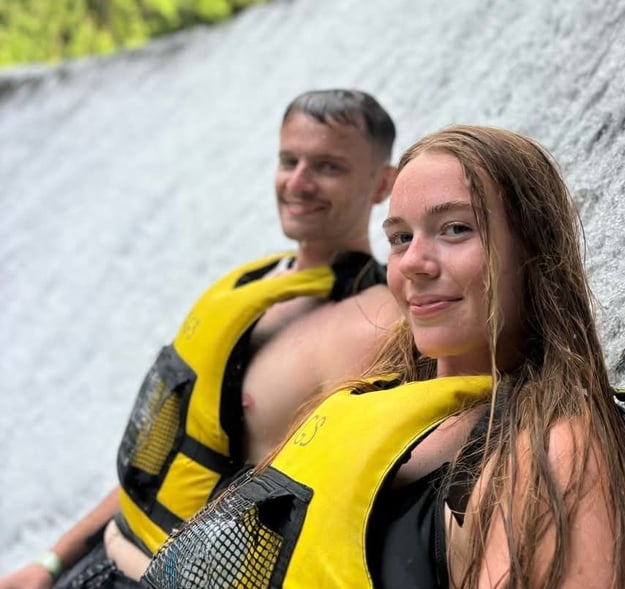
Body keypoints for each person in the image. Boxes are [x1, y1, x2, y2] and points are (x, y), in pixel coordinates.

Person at [142, 124, 625, 589]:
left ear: (535, 251)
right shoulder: (371, 395)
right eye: (400, 238)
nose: (414, 264)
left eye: (455, 229)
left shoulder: (555, 449)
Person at [0, 89, 402, 589]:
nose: (297, 182)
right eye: (288, 160)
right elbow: (171, 463)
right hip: (95, 562)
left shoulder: (375, 327)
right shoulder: (251, 287)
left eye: (327, 167)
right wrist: (51, 561)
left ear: (382, 183)